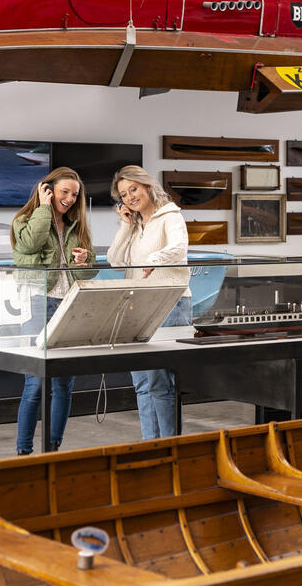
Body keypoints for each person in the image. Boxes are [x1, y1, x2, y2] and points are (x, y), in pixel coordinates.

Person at [11, 167, 96, 454]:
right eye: (64, 192)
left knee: (64, 384)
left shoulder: (76, 226)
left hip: (69, 305)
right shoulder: (24, 220)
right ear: (47, 191)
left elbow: (89, 271)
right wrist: (44, 208)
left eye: (75, 194)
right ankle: (24, 452)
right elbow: (30, 243)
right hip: (38, 303)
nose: (70, 199)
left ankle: (53, 447)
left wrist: (85, 261)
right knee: (35, 382)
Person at [107, 165, 191, 439]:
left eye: (133, 189)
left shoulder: (171, 215)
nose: (130, 197)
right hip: (138, 307)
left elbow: (178, 247)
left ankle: (169, 446)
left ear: (147, 186)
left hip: (169, 304)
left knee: (160, 382)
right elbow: (115, 260)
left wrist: (154, 259)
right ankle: (149, 444)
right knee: (142, 383)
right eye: (124, 194)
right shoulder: (134, 225)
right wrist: (125, 224)